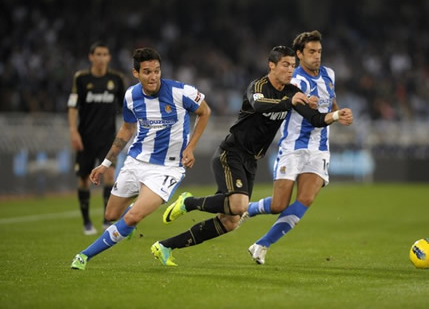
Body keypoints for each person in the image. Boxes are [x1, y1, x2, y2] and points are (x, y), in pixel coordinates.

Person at [151, 45, 352, 266]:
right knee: (239, 205)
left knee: (230, 221)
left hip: (251, 160)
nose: (290, 70)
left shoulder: (292, 92)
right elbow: (258, 105)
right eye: (285, 65)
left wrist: (335, 115)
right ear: (272, 66)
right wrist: (289, 102)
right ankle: (188, 202)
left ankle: (166, 246)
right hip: (231, 153)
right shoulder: (258, 86)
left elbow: (314, 119)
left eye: (293, 66)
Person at [71, 47, 211, 270]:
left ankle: (84, 256)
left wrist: (191, 147)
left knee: (133, 216)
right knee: (111, 214)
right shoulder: (130, 95)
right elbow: (127, 129)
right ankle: (131, 220)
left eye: (156, 71)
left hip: (167, 168)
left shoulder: (180, 92)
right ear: (136, 73)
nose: (153, 76)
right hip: (136, 161)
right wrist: (106, 164)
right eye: (147, 72)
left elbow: (205, 112)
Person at [246, 30, 354, 265]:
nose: (317, 56)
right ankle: (247, 209)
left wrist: (339, 112)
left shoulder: (329, 75)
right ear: (299, 54)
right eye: (311, 52)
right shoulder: (294, 80)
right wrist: (315, 107)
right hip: (293, 147)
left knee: (305, 199)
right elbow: (300, 108)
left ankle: (262, 244)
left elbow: (330, 101)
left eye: (319, 52)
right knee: (278, 205)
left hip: (319, 149)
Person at [67, 41, 126, 235]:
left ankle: (106, 220)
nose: (101, 58)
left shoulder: (116, 79)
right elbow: (73, 106)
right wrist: (73, 131)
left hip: (109, 138)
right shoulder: (82, 78)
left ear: (109, 57)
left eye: (105, 54)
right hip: (85, 137)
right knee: (83, 179)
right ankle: (86, 222)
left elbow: (126, 107)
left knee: (109, 175)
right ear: (91, 57)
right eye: (98, 54)